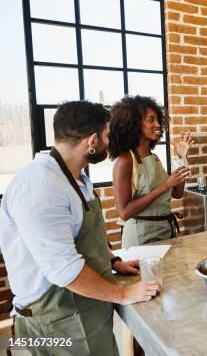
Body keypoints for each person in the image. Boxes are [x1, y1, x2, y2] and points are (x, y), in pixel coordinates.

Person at [0, 101, 159, 356]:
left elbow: (82, 237)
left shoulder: (76, 178)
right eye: (107, 137)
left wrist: (114, 260)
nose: (109, 144)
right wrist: (123, 294)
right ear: (93, 140)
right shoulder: (40, 187)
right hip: (56, 322)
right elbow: (64, 269)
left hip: (86, 309)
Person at [109, 95, 193, 249]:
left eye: (158, 120)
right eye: (150, 120)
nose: (157, 125)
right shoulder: (125, 160)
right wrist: (165, 186)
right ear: (134, 124)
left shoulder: (154, 158)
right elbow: (124, 212)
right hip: (140, 235)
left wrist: (182, 158)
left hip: (165, 230)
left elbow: (177, 193)